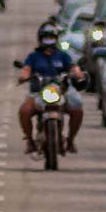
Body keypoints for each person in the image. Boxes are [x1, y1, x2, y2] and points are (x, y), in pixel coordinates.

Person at [18, 23, 86, 154]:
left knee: (77, 108)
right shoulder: (34, 57)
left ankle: (71, 140)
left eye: (51, 38)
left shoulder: (62, 55)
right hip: (38, 92)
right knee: (24, 111)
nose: (49, 42)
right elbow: (26, 69)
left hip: (60, 91)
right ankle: (30, 140)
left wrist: (78, 74)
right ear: (40, 39)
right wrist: (24, 76)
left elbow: (73, 67)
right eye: (46, 38)